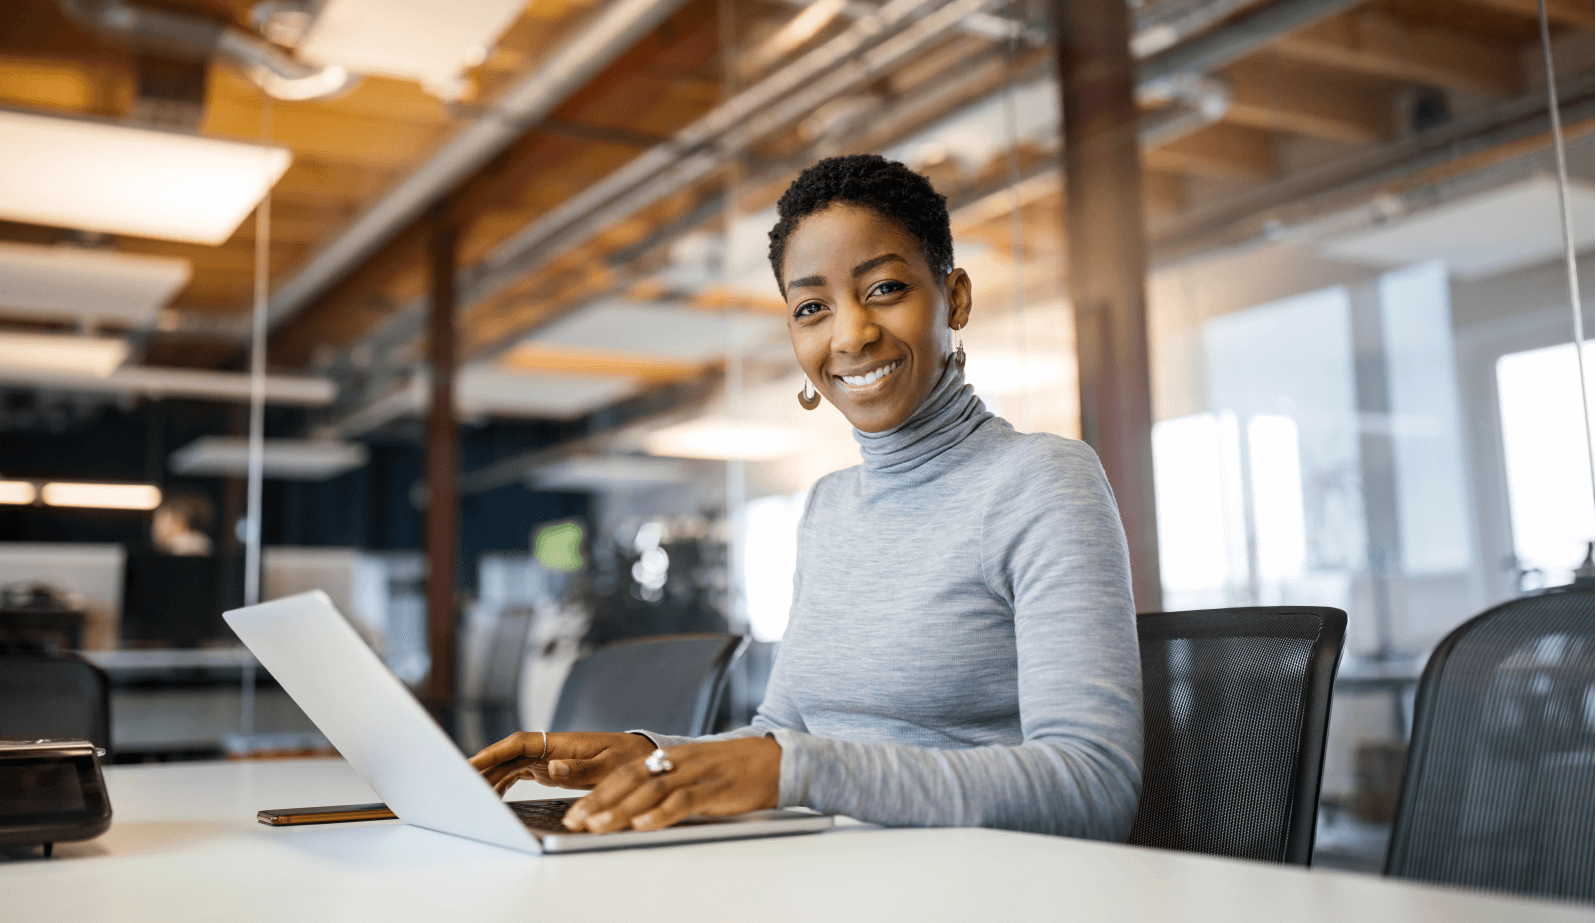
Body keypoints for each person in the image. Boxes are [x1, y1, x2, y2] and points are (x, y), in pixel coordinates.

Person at [472, 154, 1143, 840]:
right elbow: (783, 735)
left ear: (956, 297)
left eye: (884, 288)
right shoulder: (829, 505)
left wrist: (801, 770)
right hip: (825, 871)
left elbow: (1094, 783)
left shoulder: (1042, 480)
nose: (850, 334)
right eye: (812, 307)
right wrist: (656, 754)